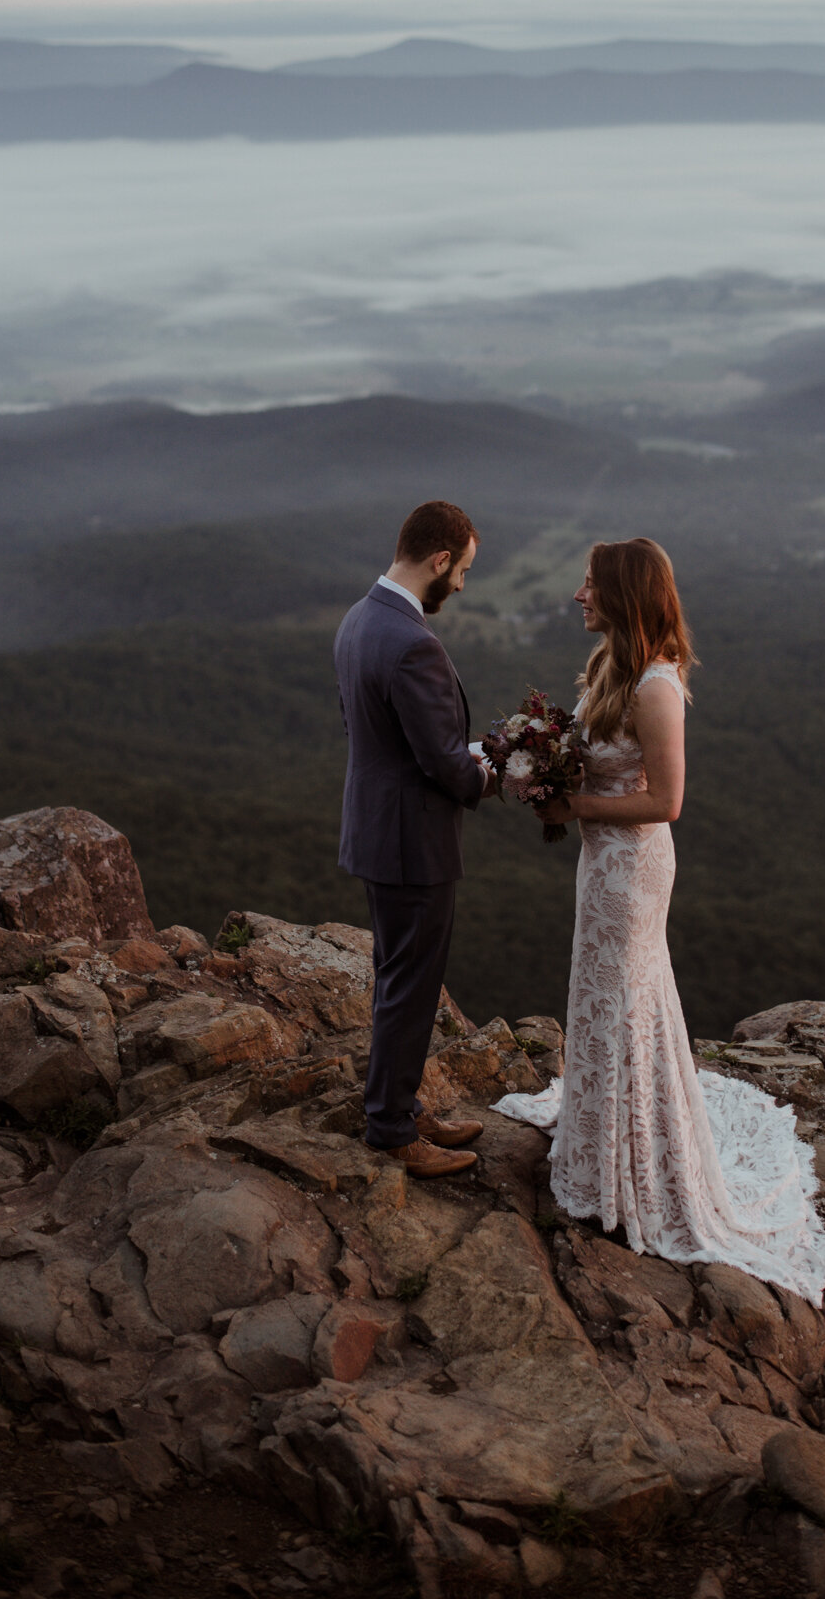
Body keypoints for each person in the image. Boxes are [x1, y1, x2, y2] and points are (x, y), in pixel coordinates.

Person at [494, 538, 825, 1304]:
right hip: (600, 863)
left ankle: (630, 1166)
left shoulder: (653, 685)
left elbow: (666, 802)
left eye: (588, 585)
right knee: (604, 995)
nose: (578, 596)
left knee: (623, 998)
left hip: (632, 870)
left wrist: (566, 802)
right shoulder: (611, 667)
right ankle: (603, 1139)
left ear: (621, 594)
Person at [334, 500, 491, 1179]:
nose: (460, 585)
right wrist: (505, 767)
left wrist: (475, 749)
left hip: (376, 827)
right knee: (410, 984)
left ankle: (398, 1102)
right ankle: (392, 1128)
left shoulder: (359, 619)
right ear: (439, 559)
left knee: (396, 977)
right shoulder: (413, 641)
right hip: (411, 841)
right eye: (461, 571)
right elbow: (449, 771)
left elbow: (375, 735)